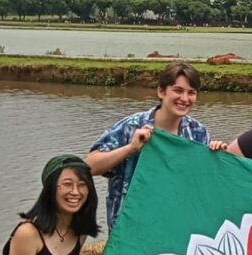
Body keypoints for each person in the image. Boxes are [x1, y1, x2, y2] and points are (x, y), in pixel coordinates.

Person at [86, 62, 225, 231]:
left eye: (191, 93)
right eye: (178, 90)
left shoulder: (198, 133)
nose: (185, 99)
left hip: (175, 228)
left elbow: (204, 185)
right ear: (161, 91)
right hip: (130, 230)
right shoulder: (132, 126)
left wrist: (216, 156)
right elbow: (89, 166)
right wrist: (130, 149)